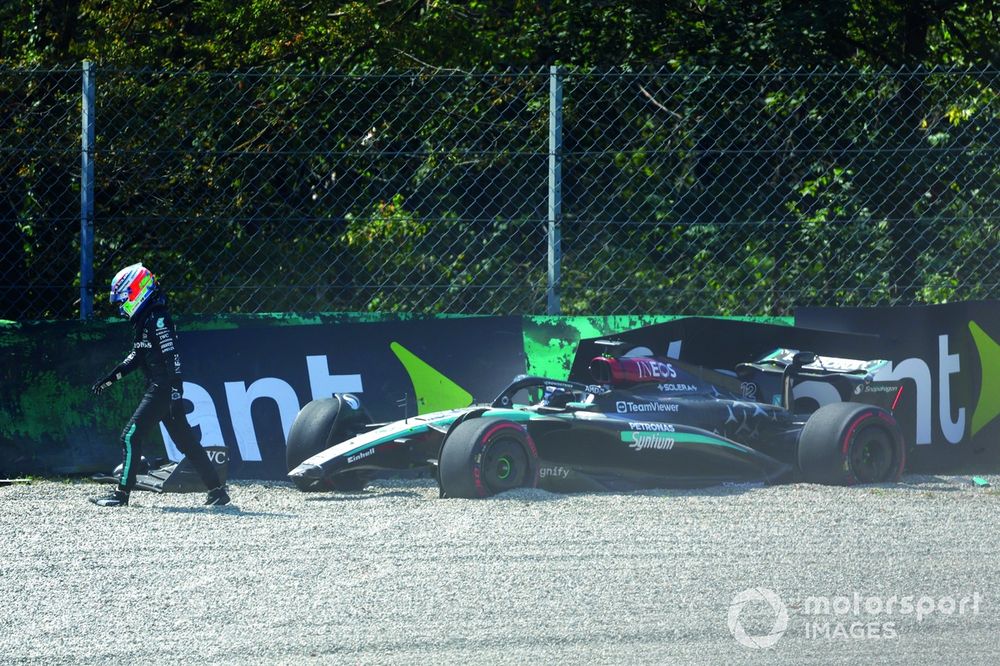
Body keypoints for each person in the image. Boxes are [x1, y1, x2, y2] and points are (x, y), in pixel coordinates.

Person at [90, 263, 230, 507]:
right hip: (163, 389)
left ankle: (121, 495)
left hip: (162, 389)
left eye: (123, 299)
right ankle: (218, 491)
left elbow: (173, 359)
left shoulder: (158, 320)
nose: (122, 306)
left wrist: (175, 395)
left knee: (130, 437)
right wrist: (110, 378)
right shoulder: (147, 319)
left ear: (136, 292)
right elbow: (137, 356)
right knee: (186, 442)